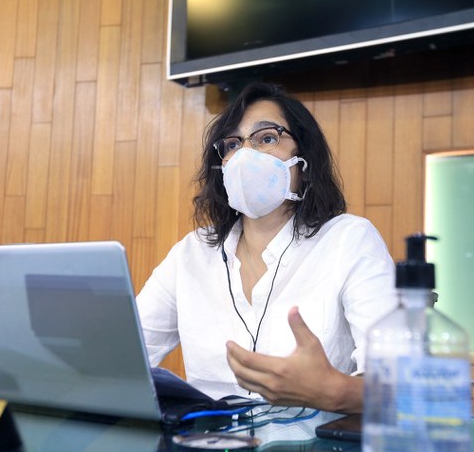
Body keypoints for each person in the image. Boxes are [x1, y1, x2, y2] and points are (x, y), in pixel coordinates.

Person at [136, 82, 397, 413]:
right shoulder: (191, 254)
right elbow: (122, 356)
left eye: (267, 138)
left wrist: (332, 391)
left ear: (305, 161)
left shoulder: (349, 240)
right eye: (233, 144)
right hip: (207, 443)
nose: (245, 155)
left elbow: (398, 386)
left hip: (314, 445)